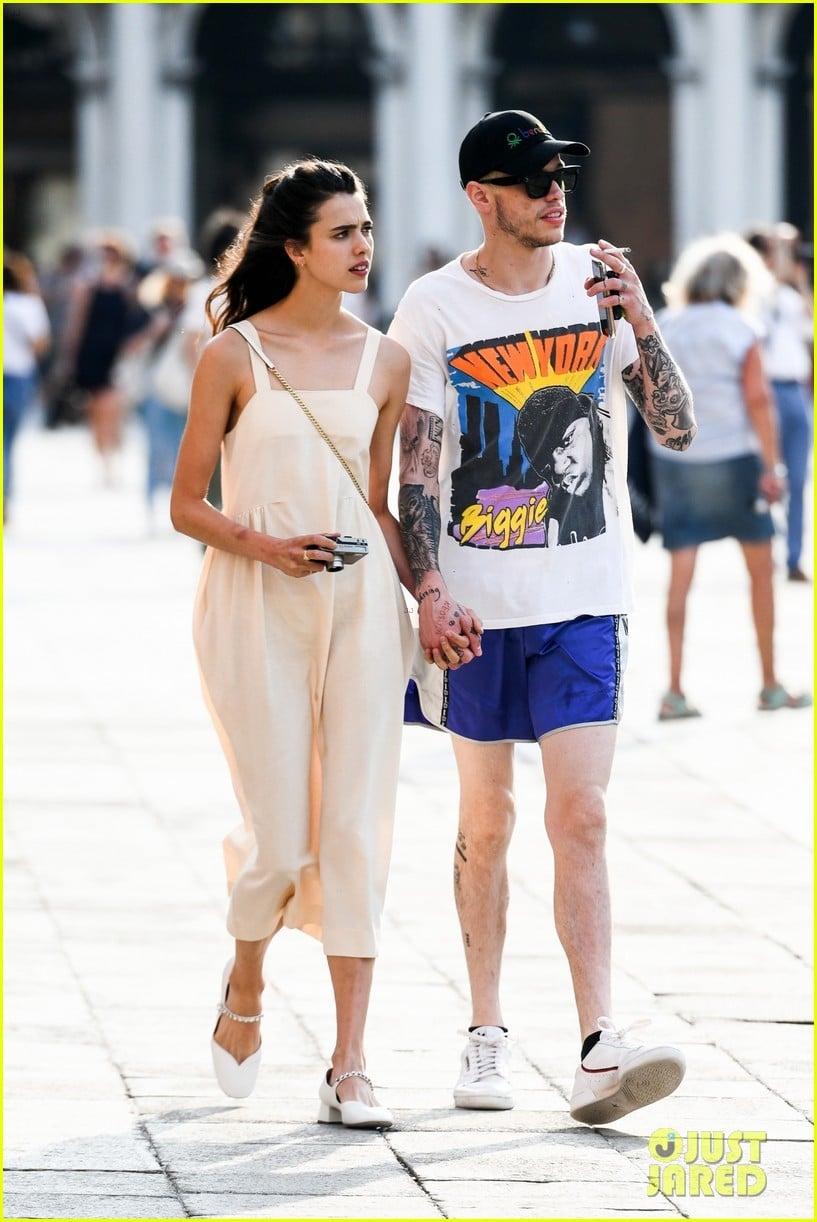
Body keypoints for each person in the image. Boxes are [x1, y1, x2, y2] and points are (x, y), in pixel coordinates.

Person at [389, 109, 697, 1126]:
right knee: (487, 816)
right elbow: (418, 473)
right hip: (477, 608)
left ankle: (599, 1043)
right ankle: (485, 1028)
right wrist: (429, 591)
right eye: (530, 182)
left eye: (559, 174)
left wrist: (640, 316)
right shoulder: (432, 308)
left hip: (584, 599)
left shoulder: (597, 282)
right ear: (482, 197)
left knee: (585, 815)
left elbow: (677, 428)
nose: (553, 193)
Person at [170, 159, 414, 1128]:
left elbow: (381, 504)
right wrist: (268, 545)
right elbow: (188, 501)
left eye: (366, 228)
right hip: (249, 601)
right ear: (297, 247)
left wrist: (426, 600)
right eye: (344, 232)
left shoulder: (385, 361)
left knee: (354, 823)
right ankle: (247, 983)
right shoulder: (232, 355)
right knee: (279, 834)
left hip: (359, 608)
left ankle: (350, 1064)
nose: (363, 246)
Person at [649, 233, 812, 719]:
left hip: (678, 462)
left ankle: (674, 689)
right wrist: (772, 465)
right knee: (760, 574)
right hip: (738, 462)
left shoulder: (667, 324)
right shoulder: (742, 328)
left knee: (679, 576)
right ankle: (769, 682)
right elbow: (758, 400)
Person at [745, 224, 813, 583]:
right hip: (766, 390)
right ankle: (766, 550)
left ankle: (794, 557)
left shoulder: (791, 293)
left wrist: (800, 280)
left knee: (799, 478)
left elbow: (810, 327)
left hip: (795, 391)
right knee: (766, 475)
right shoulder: (757, 289)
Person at [56, 232, 148, 483]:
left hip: (118, 356)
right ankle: (102, 459)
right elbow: (76, 323)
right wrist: (69, 358)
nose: (108, 258)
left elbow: (138, 319)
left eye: (113, 253)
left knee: (114, 408)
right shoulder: (87, 286)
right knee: (96, 410)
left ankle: (112, 459)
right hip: (92, 353)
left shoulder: (129, 286)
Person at [3, 250, 51, 521]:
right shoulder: (28, 305)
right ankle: (5, 497)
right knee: (8, 442)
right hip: (18, 376)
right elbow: (40, 345)